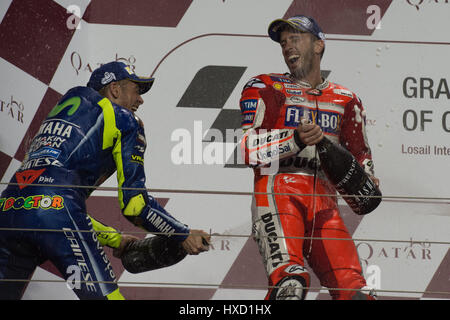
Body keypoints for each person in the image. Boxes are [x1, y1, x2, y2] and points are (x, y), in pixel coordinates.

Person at [0, 61, 210, 300]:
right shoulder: (123, 119)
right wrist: (182, 234)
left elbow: (42, 201)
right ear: (115, 90)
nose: (140, 100)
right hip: (55, 213)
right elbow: (135, 206)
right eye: (136, 90)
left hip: (7, 212)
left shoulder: (60, 117)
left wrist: (115, 239)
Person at [239, 15, 379, 300]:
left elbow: (360, 154)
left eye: (295, 38)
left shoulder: (346, 98)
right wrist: (295, 139)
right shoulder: (266, 87)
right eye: (283, 41)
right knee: (289, 286)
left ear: (318, 45)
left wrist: (367, 178)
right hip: (278, 192)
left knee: (357, 294)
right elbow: (247, 148)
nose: (287, 46)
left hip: (325, 203)